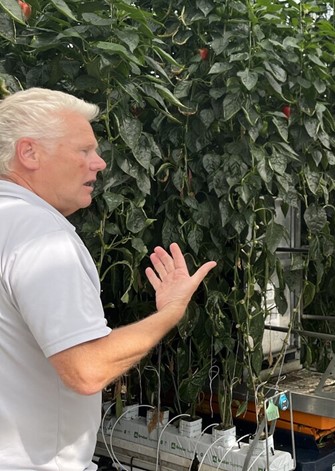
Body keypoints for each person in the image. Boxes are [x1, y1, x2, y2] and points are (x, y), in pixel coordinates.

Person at [0, 88, 216, 469]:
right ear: (29, 152)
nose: (98, 163)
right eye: (83, 150)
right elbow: (86, 369)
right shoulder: (41, 237)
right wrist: (170, 312)